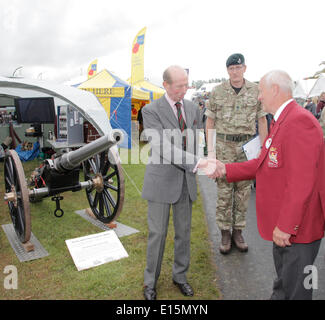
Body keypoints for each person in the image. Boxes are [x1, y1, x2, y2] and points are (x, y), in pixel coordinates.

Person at [211, 70, 325, 300]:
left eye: (261, 91)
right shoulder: (283, 120)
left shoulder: (299, 121)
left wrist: (286, 226)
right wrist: (225, 168)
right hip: (287, 228)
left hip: (298, 230)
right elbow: (263, 162)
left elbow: (302, 182)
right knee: (283, 284)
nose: (259, 97)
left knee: (297, 291)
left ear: (275, 90)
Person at [141, 65, 216, 300]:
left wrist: (208, 155)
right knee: (158, 234)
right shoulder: (150, 111)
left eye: (186, 84)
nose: (185, 89)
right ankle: (149, 283)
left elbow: (197, 138)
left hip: (186, 182)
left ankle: (180, 277)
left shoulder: (193, 108)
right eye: (179, 86)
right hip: (161, 182)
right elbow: (162, 147)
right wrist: (198, 163)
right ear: (165, 85)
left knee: (183, 233)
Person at [205, 53, 268, 254]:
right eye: (231, 69)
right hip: (224, 147)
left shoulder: (256, 91)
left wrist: (263, 150)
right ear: (227, 71)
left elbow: (263, 120)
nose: (235, 72)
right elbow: (210, 122)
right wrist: (211, 153)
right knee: (224, 193)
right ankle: (225, 232)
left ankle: (238, 231)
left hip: (247, 148)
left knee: (243, 193)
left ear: (244, 68)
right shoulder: (217, 92)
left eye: (238, 68)